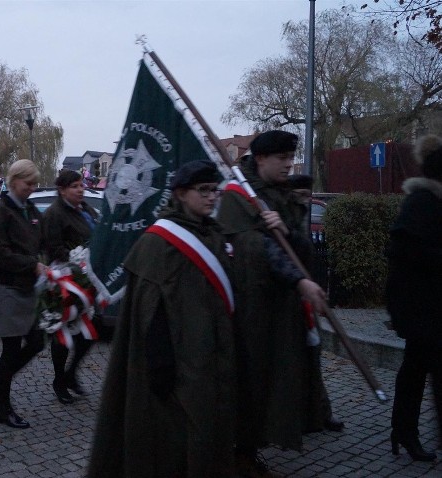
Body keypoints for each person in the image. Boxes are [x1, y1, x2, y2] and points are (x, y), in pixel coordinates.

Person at [88, 160, 236, 478]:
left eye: (215, 190)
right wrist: (162, 365)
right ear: (181, 193)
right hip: (177, 365)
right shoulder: (159, 243)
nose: (212, 197)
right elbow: (148, 311)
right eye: (204, 190)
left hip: (211, 355)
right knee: (176, 443)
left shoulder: (212, 234)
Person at [216, 130, 328, 476]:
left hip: (280, 308)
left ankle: (255, 444)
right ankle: (239, 452)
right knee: (249, 380)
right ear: (261, 159)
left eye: (290, 158)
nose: (288, 165)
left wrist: (287, 231)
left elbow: (304, 250)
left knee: (275, 380)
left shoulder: (284, 195)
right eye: (281, 158)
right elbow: (254, 249)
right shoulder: (237, 196)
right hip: (248, 309)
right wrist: (299, 280)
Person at [385, 134, 442, 462]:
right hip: (422, 308)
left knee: (416, 370)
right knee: (419, 371)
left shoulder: (427, 201)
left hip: (426, 307)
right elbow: (404, 251)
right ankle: (405, 432)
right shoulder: (422, 202)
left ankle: (403, 432)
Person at [0, 159, 46, 429]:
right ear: (13, 181)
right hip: (7, 287)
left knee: (36, 341)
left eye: (34, 183)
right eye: (27, 183)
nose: (32, 188)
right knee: (10, 351)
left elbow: (42, 240)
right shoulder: (0, 211)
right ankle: (3, 407)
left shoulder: (30, 209)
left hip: (27, 288)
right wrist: (32, 265)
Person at [285, 174, 343, 435]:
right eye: (302, 195)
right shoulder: (285, 216)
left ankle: (321, 412)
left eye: (308, 195)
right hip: (290, 298)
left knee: (313, 355)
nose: (306, 200)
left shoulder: (299, 216)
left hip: (306, 296)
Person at [40, 169, 99, 404]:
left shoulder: (85, 209)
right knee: (63, 334)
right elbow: (52, 247)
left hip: (87, 278)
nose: (80, 189)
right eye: (75, 186)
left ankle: (71, 374)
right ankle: (59, 380)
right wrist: (78, 258)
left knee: (89, 333)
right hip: (65, 279)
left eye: (81, 185)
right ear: (62, 189)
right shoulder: (55, 213)